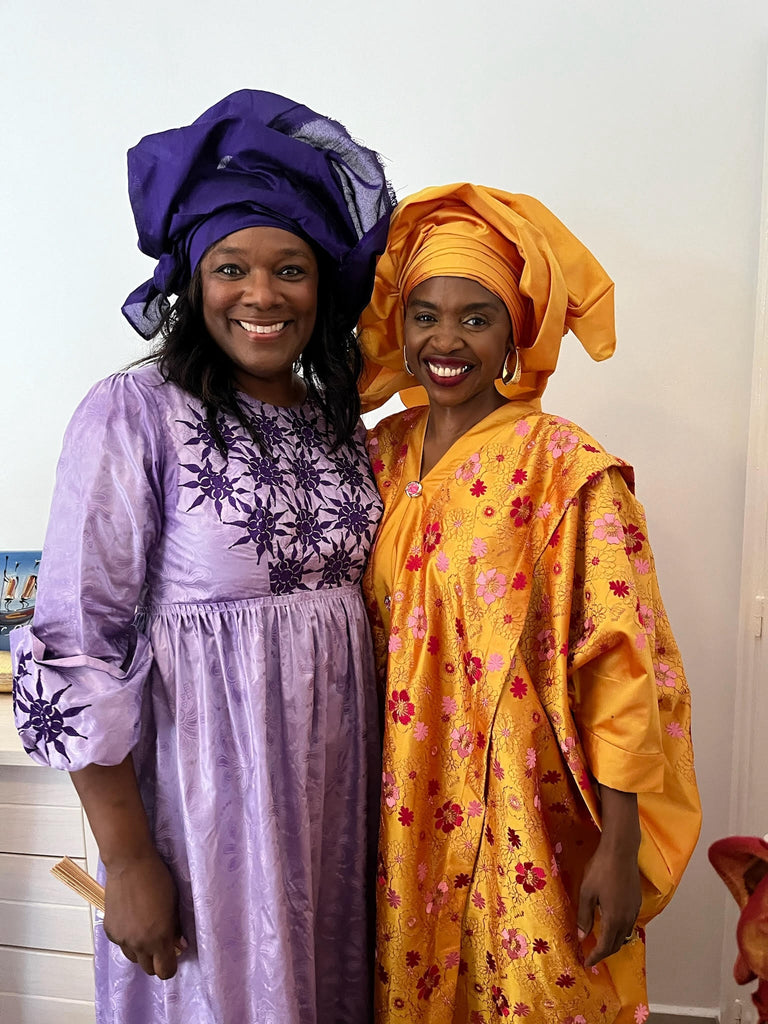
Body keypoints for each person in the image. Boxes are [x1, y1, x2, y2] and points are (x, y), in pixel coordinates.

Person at [11, 89, 395, 1024]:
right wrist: (132, 859)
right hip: (205, 813)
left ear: (325, 286)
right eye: (232, 267)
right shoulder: (131, 415)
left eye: (291, 270)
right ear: (192, 278)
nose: (261, 295)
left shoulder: (345, 427)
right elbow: (75, 642)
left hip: (339, 807)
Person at [357, 183, 701, 1023]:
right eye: (425, 313)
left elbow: (624, 667)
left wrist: (620, 847)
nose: (446, 339)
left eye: (476, 317)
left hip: (531, 814)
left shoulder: (567, 468)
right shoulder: (374, 458)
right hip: (397, 814)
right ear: (398, 326)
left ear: (516, 332)